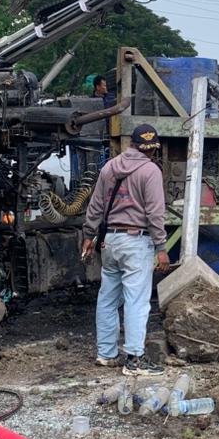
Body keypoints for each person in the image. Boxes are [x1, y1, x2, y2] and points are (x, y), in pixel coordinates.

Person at [81, 123, 170, 377]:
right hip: (136, 240)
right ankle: (135, 359)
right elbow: (155, 213)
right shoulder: (150, 171)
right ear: (150, 149)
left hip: (110, 241)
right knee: (136, 301)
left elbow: (96, 206)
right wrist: (161, 247)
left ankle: (106, 354)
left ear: (132, 144)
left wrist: (89, 235)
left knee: (108, 297)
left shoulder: (109, 167)